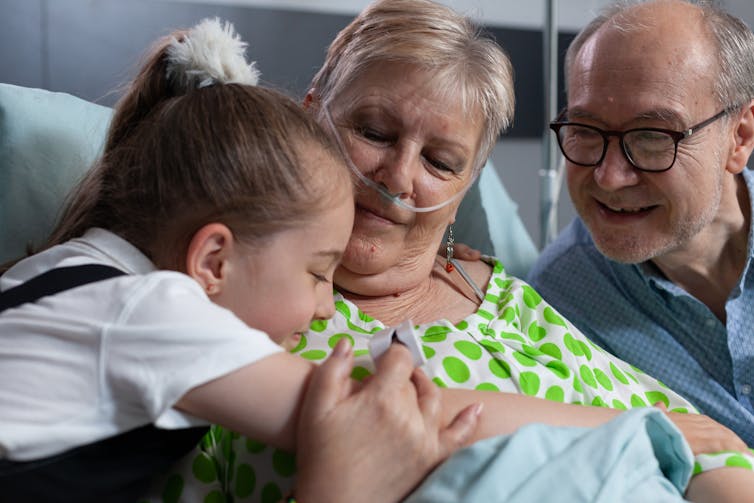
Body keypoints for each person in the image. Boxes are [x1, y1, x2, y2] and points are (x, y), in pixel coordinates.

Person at [156, 1, 754, 501]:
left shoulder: (516, 304)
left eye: (441, 162)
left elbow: (709, 450)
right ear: (311, 112)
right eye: (373, 132)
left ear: (467, 184)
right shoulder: (230, 303)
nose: (397, 177)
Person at [0, 18, 487, 502]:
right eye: (319, 273)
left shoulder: (61, 269)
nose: (327, 306)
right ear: (213, 261)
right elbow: (361, 418)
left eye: (441, 162)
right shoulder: (156, 311)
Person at [526, 0, 754, 448]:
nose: (609, 177)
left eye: (652, 138)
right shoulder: (564, 303)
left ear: (740, 137)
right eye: (586, 131)